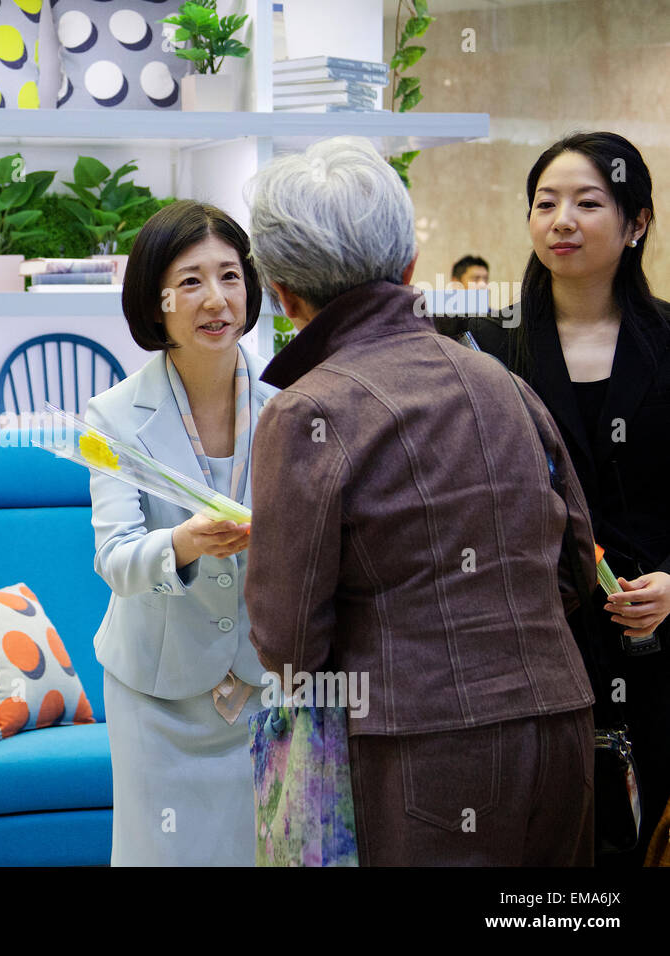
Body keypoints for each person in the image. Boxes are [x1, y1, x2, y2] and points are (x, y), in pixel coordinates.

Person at [244, 137, 596, 866]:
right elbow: (576, 573)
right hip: (563, 721)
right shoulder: (502, 381)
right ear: (408, 267)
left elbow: (289, 645)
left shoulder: (307, 412)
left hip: (421, 745)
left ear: (283, 294)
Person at [468, 131, 670, 867]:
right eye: (545, 203)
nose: (562, 220)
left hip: (655, 640)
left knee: (643, 837)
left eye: (588, 203)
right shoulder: (484, 347)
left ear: (636, 223)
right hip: (527, 638)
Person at [84, 200, 278, 865]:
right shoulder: (109, 416)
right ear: (155, 300)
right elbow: (114, 559)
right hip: (155, 692)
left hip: (264, 684)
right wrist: (187, 543)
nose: (216, 298)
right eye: (190, 281)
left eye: (230, 275)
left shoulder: (292, 408)